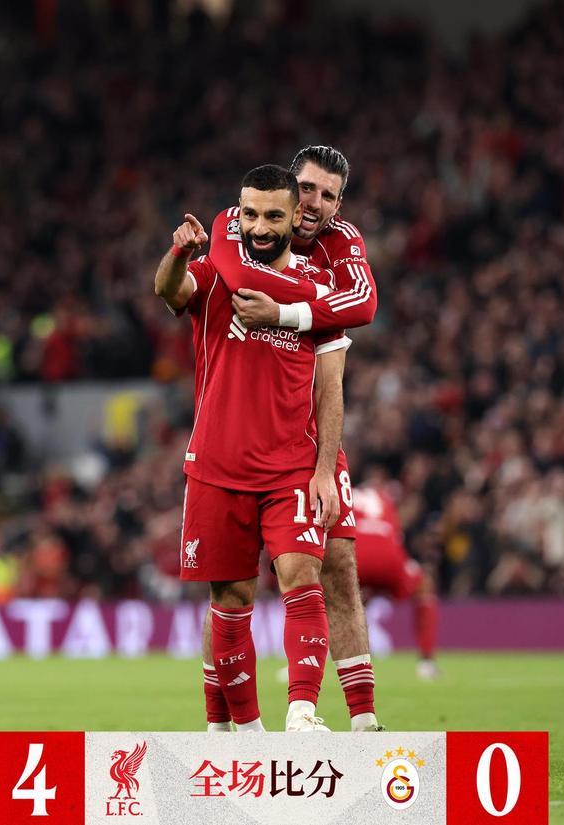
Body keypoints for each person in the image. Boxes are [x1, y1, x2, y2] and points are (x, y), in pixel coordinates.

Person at [154, 165, 351, 732]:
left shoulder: (318, 292)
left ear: (295, 217)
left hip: (291, 467)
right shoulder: (217, 273)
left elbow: (330, 390)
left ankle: (303, 713)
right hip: (217, 467)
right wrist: (178, 253)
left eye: (272, 216)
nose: (259, 227)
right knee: (232, 598)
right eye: (249, 215)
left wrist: (324, 470)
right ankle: (247, 731)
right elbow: (168, 290)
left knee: (302, 576)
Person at [204, 146, 382, 731]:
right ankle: (223, 723)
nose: (314, 204)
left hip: (310, 439)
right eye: (307, 188)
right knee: (230, 585)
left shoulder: (341, 243)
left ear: (339, 204)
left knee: (340, 563)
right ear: (288, 186)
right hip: (241, 439)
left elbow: (365, 306)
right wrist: (323, 304)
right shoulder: (239, 223)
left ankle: (362, 719)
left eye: (329, 195)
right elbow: (234, 278)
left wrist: (288, 314)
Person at [352, 482, 440, 679]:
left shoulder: (343, 494)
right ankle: (426, 662)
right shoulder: (385, 500)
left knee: (321, 595)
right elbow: (396, 536)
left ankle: (306, 660)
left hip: (356, 556)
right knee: (424, 586)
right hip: (389, 558)